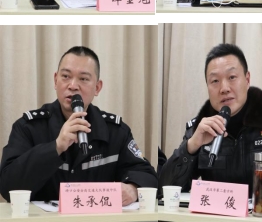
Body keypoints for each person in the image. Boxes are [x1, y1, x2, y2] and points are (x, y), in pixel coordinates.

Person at [159, 44, 262, 215]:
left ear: (247, 80)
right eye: (215, 81)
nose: (224, 88)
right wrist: (191, 146)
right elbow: (165, 190)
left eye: (232, 77)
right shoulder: (200, 129)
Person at [0, 47, 157, 205]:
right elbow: (7, 186)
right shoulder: (28, 127)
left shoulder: (115, 131)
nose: (73, 85)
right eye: (66, 76)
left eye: (83, 79)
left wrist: (134, 188)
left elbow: (147, 175)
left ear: (97, 87)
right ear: (55, 80)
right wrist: (55, 147)